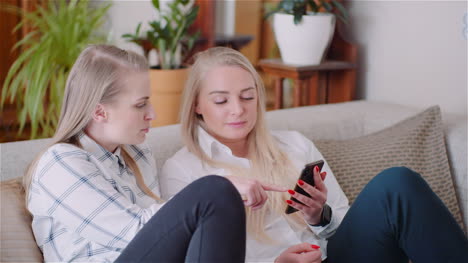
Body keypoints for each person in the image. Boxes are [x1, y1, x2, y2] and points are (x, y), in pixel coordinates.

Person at [160, 47, 468, 263]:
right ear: (197, 105)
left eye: (247, 96)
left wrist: (319, 217)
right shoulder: (183, 171)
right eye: (221, 100)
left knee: (397, 183)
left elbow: (342, 222)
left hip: (335, 257)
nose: (238, 109)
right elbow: (196, 258)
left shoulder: (294, 145)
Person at [24, 44, 247, 262]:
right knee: (214, 190)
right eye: (140, 105)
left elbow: (165, 244)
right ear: (100, 112)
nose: (153, 114)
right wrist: (215, 192)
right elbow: (136, 233)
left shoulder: (137, 154)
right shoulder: (60, 162)